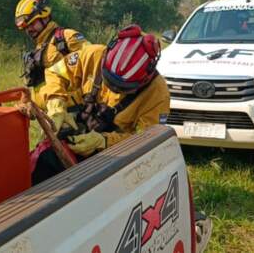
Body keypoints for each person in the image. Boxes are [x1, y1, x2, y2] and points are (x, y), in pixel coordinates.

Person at [30, 25, 170, 184]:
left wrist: (103, 141)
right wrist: (56, 104)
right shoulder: (93, 54)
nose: (114, 90)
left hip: (114, 160)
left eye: (123, 89)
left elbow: (147, 142)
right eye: (108, 81)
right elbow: (55, 72)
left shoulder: (157, 94)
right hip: (75, 137)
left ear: (145, 80)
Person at [15, 0, 86, 106]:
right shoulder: (39, 49)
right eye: (26, 27)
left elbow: (92, 68)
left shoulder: (67, 37)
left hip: (76, 113)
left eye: (32, 23)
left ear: (46, 17)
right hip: (50, 116)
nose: (29, 29)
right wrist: (29, 103)